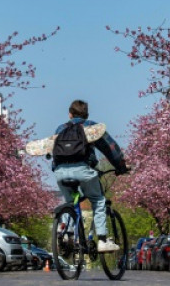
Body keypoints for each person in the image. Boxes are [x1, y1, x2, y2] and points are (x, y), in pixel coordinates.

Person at [52, 99, 128, 253]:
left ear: (69, 114)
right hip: (84, 170)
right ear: (86, 114)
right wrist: (121, 166)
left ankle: (67, 234)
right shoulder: (91, 127)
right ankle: (102, 240)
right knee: (98, 201)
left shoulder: (60, 129)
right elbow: (110, 148)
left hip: (60, 173)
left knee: (70, 203)